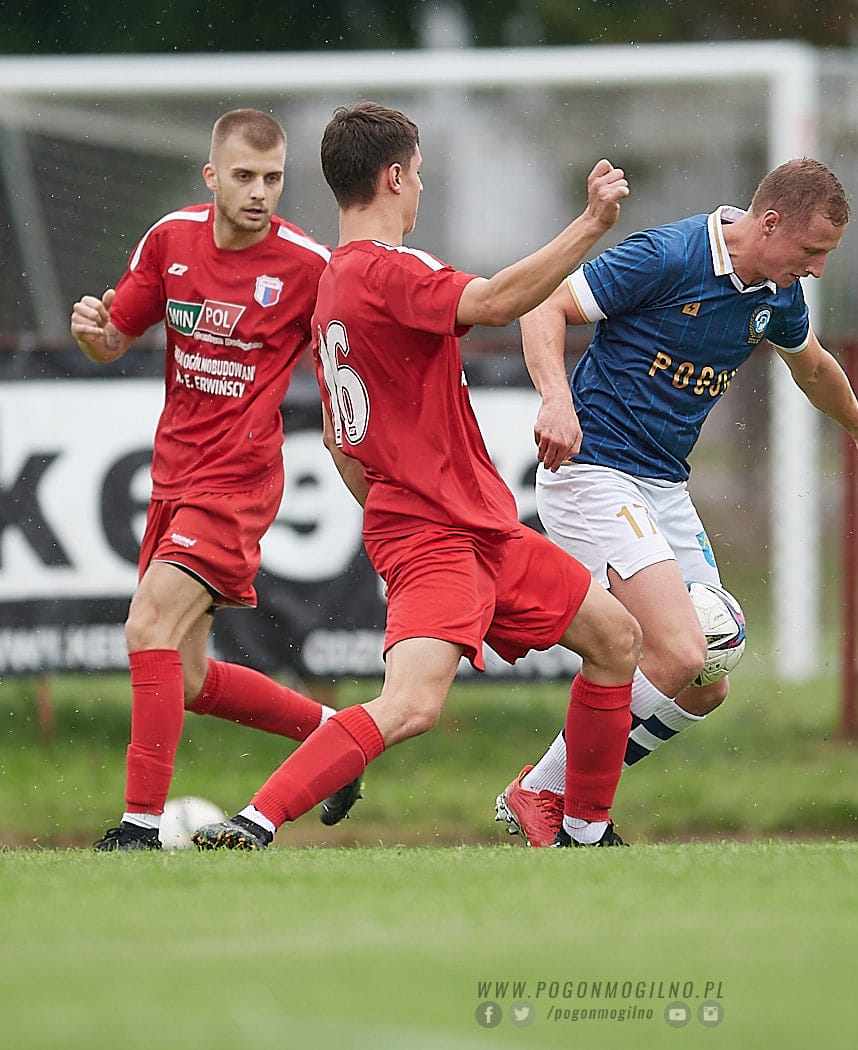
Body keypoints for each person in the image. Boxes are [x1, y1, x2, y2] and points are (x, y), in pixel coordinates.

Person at [190, 101, 640, 851]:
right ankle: (253, 821)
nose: (423, 188)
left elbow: (338, 438)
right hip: (438, 534)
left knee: (615, 638)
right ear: (395, 178)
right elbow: (496, 302)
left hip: (476, 526)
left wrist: (393, 502)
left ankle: (586, 834)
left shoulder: (331, 287)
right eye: (421, 174)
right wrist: (591, 224)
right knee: (410, 705)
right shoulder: (388, 269)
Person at [495, 157, 858, 846]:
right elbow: (545, 307)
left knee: (707, 682)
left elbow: (813, 366)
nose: (818, 268)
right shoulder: (670, 255)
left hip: (663, 485)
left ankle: (550, 788)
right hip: (594, 471)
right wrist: (557, 400)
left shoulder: (776, 293)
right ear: (769, 223)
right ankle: (567, 809)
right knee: (679, 653)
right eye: (812, 250)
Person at [70, 108, 363, 851]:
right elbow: (115, 338)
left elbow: (359, 344)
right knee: (191, 677)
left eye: (272, 178)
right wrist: (95, 336)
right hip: (172, 477)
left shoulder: (308, 266)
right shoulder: (170, 238)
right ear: (212, 177)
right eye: (244, 176)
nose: (260, 192)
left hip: (238, 482)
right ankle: (333, 735)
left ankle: (138, 829)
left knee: (147, 626)